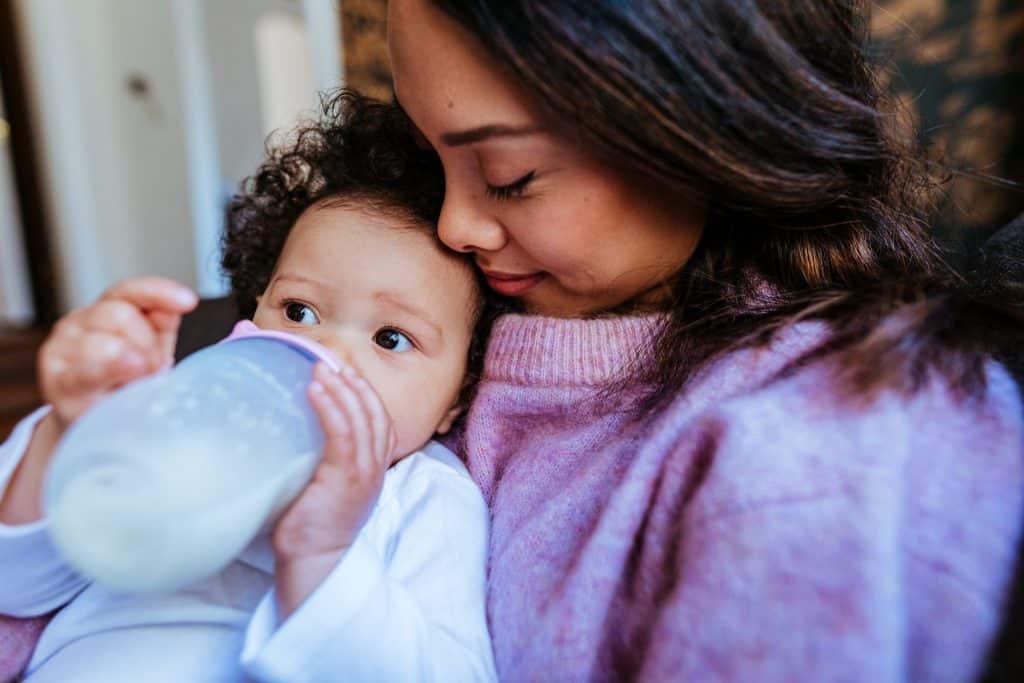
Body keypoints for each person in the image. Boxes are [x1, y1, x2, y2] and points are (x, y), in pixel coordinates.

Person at [383, 1, 1024, 681]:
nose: (452, 226)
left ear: (699, 122)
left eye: (511, 176)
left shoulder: (814, 459)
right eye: (430, 155)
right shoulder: (477, 327)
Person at [0, 91, 497, 682]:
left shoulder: (425, 497)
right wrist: (69, 431)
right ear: (253, 308)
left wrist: (322, 553)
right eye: (299, 311)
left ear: (456, 400)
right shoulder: (180, 415)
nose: (325, 355)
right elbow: (15, 584)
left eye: (391, 339)